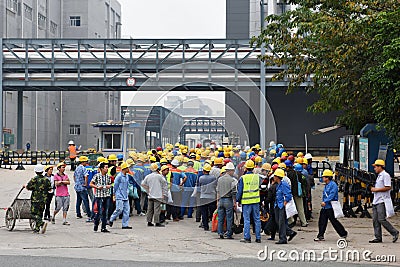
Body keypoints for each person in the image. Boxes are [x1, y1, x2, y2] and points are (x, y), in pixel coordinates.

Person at [369, 159, 399, 243]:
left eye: (375, 167)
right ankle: (378, 237)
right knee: (375, 220)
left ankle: (394, 232)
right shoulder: (379, 176)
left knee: (381, 219)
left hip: (382, 200)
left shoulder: (385, 175)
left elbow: (388, 187)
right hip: (376, 200)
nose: (374, 169)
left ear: (380, 167)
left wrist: (376, 190)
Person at [314, 170, 348, 241]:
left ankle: (343, 233)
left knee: (333, 221)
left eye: (323, 177)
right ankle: (320, 235)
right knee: (322, 221)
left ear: (327, 178)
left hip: (330, 206)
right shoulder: (327, 185)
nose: (322, 178)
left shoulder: (333, 185)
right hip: (325, 207)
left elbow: (332, 195)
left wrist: (325, 201)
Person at [236, 160, 262, 243]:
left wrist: (238, 200)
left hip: (246, 202)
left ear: (246, 168)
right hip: (256, 201)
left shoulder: (243, 178)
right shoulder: (257, 177)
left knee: (247, 220)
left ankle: (247, 237)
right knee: (257, 219)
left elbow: (240, 191)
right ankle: (258, 237)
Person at [24, 164, 52, 234]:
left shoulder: (34, 179)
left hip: (35, 199)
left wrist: (26, 187)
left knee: (33, 214)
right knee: (40, 214)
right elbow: (50, 189)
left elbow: (28, 187)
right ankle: (36, 229)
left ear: (35, 171)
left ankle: (42, 223)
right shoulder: (46, 180)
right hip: (44, 199)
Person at [274, 168, 297, 244]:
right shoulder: (278, 185)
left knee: (281, 222)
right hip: (278, 205)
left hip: (282, 206)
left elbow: (288, 195)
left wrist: (285, 202)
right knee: (279, 221)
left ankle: (283, 238)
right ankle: (290, 232)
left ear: (277, 177)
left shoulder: (284, 184)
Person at [216, 162, 237, 239]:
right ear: (230, 171)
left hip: (221, 200)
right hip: (228, 200)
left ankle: (220, 232)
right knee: (229, 218)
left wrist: (217, 201)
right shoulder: (232, 180)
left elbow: (217, 191)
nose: (233, 172)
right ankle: (229, 234)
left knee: (221, 217)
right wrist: (234, 202)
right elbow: (234, 192)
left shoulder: (220, 179)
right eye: (233, 171)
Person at [90, 162, 112, 232]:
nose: (107, 169)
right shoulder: (96, 176)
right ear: (102, 168)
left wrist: (109, 186)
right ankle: (96, 223)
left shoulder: (108, 177)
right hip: (99, 196)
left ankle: (103, 227)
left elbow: (109, 184)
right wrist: (97, 187)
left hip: (107, 195)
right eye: (105, 167)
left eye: (107, 167)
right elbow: (91, 184)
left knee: (105, 212)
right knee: (99, 212)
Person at [109, 162, 132, 229]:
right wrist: (114, 194)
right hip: (119, 195)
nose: (128, 169)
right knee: (119, 209)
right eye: (127, 168)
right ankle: (111, 219)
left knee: (127, 211)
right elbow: (115, 186)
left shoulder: (127, 176)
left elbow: (127, 185)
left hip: (125, 195)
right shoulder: (119, 177)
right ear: (124, 168)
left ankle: (125, 225)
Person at [198, 163, 217, 231]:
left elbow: (199, 186)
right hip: (212, 197)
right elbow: (215, 186)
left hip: (203, 196)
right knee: (212, 212)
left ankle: (205, 226)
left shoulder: (201, 178)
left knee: (204, 212)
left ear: (203, 170)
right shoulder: (213, 178)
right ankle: (213, 225)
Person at [74, 156, 92, 222]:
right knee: (86, 201)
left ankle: (78, 213)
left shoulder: (77, 168)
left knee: (78, 200)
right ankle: (89, 214)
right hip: (82, 187)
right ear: (83, 162)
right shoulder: (83, 168)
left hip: (77, 186)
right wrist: (85, 183)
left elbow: (74, 176)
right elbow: (86, 176)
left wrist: (76, 182)